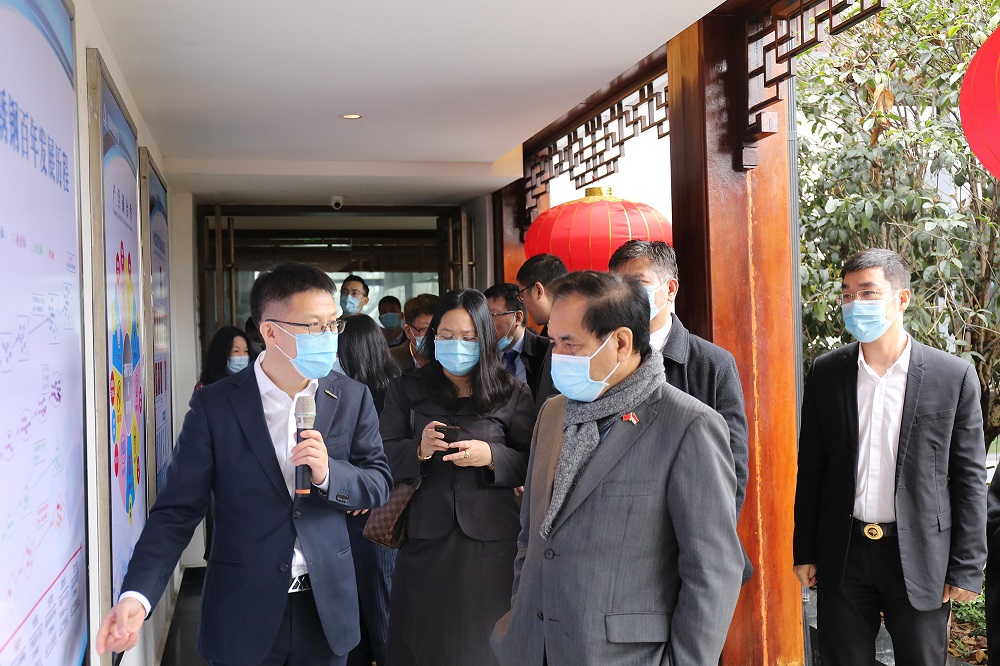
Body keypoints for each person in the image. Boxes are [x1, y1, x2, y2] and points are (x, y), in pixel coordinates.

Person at [96, 263, 393, 665]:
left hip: (326, 610)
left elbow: (378, 482)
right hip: (242, 610)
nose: (328, 336)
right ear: (270, 331)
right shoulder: (215, 405)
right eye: (313, 326)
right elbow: (177, 511)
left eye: (332, 324)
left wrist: (328, 474)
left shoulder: (351, 396)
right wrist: (138, 595)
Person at [491, 271, 743, 665]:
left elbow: (712, 572)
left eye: (570, 343)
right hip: (533, 647)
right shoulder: (554, 414)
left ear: (621, 343)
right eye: (554, 342)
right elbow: (531, 536)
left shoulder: (687, 425)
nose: (557, 356)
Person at [792, 249, 987, 665]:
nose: (854, 303)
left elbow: (969, 478)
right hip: (844, 550)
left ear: (902, 299)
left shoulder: (952, 376)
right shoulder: (827, 372)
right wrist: (805, 548)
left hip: (921, 551)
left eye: (868, 292)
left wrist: (967, 565)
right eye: (847, 294)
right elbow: (811, 468)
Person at [380, 288, 534, 665]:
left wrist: (491, 456)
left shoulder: (510, 391)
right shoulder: (406, 388)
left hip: (491, 541)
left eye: (467, 337)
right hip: (423, 537)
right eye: (447, 336)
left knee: (483, 645)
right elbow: (382, 454)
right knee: (420, 643)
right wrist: (419, 449)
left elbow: (532, 460)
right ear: (433, 336)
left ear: (485, 339)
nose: (457, 345)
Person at [608, 241, 750, 517]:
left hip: (687, 522)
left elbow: (732, 465)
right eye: (619, 286)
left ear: (670, 289)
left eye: (638, 283)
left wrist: (708, 532)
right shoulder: (603, 360)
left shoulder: (713, 364)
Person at [336, 313, 401, 666]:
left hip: (376, 521)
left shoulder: (392, 396)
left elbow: (397, 457)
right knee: (355, 616)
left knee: (380, 611)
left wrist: (368, 486)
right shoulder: (339, 393)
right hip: (347, 517)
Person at [483, 283, 551, 404]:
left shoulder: (547, 351)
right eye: (483, 318)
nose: (485, 324)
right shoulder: (481, 355)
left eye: (492, 315)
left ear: (518, 317)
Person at [515, 254, 567, 409]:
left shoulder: (568, 335)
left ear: (538, 290)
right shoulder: (556, 329)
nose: (524, 305)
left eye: (522, 296)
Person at [389, 293, 438, 372]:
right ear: (408, 331)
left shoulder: (450, 359)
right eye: (425, 329)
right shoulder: (388, 360)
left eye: (439, 328)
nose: (434, 335)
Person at [195, 326, 251, 390]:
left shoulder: (251, 384)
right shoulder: (204, 389)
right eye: (236, 351)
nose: (242, 356)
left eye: (246, 351)